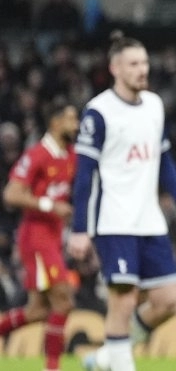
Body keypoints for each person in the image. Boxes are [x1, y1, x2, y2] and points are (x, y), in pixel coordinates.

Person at [70, 33, 176, 371]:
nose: (142, 70)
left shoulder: (155, 106)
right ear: (115, 68)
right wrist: (79, 229)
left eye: (144, 62)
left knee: (168, 301)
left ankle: (105, 357)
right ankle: (121, 364)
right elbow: (84, 175)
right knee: (124, 301)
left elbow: (164, 159)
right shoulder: (98, 113)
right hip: (113, 220)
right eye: (134, 64)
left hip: (150, 220)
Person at [0, 100, 79, 371]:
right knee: (64, 300)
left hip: (54, 237)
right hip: (36, 238)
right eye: (70, 119)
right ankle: (52, 367)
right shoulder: (37, 154)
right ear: (55, 123)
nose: (76, 125)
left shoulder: (70, 155)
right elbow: (11, 194)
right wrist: (50, 205)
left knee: (38, 311)